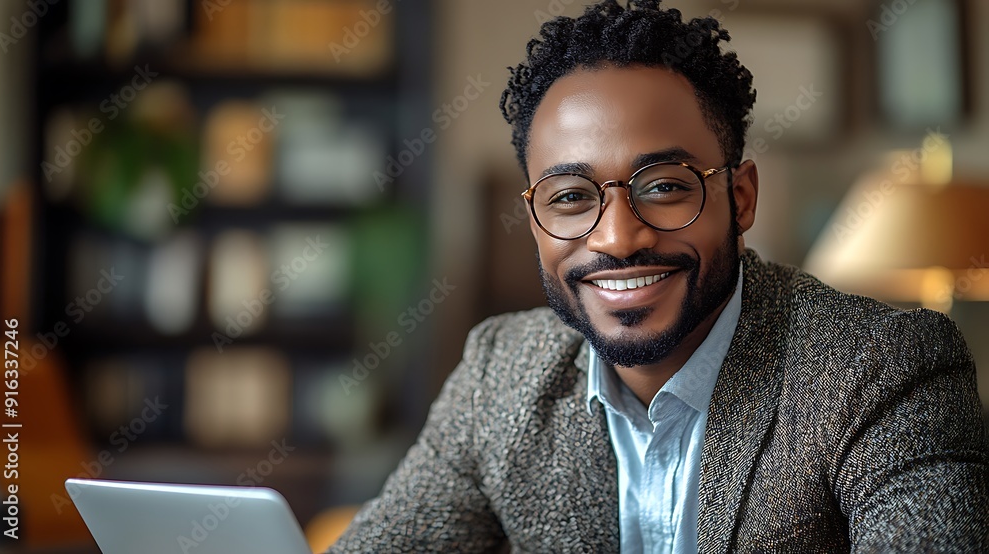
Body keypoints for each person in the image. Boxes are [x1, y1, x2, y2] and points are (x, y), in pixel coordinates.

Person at [329, 1, 989, 551]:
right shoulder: (497, 375)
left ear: (741, 198)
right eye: (570, 197)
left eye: (666, 186)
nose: (618, 236)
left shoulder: (881, 369)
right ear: (532, 219)